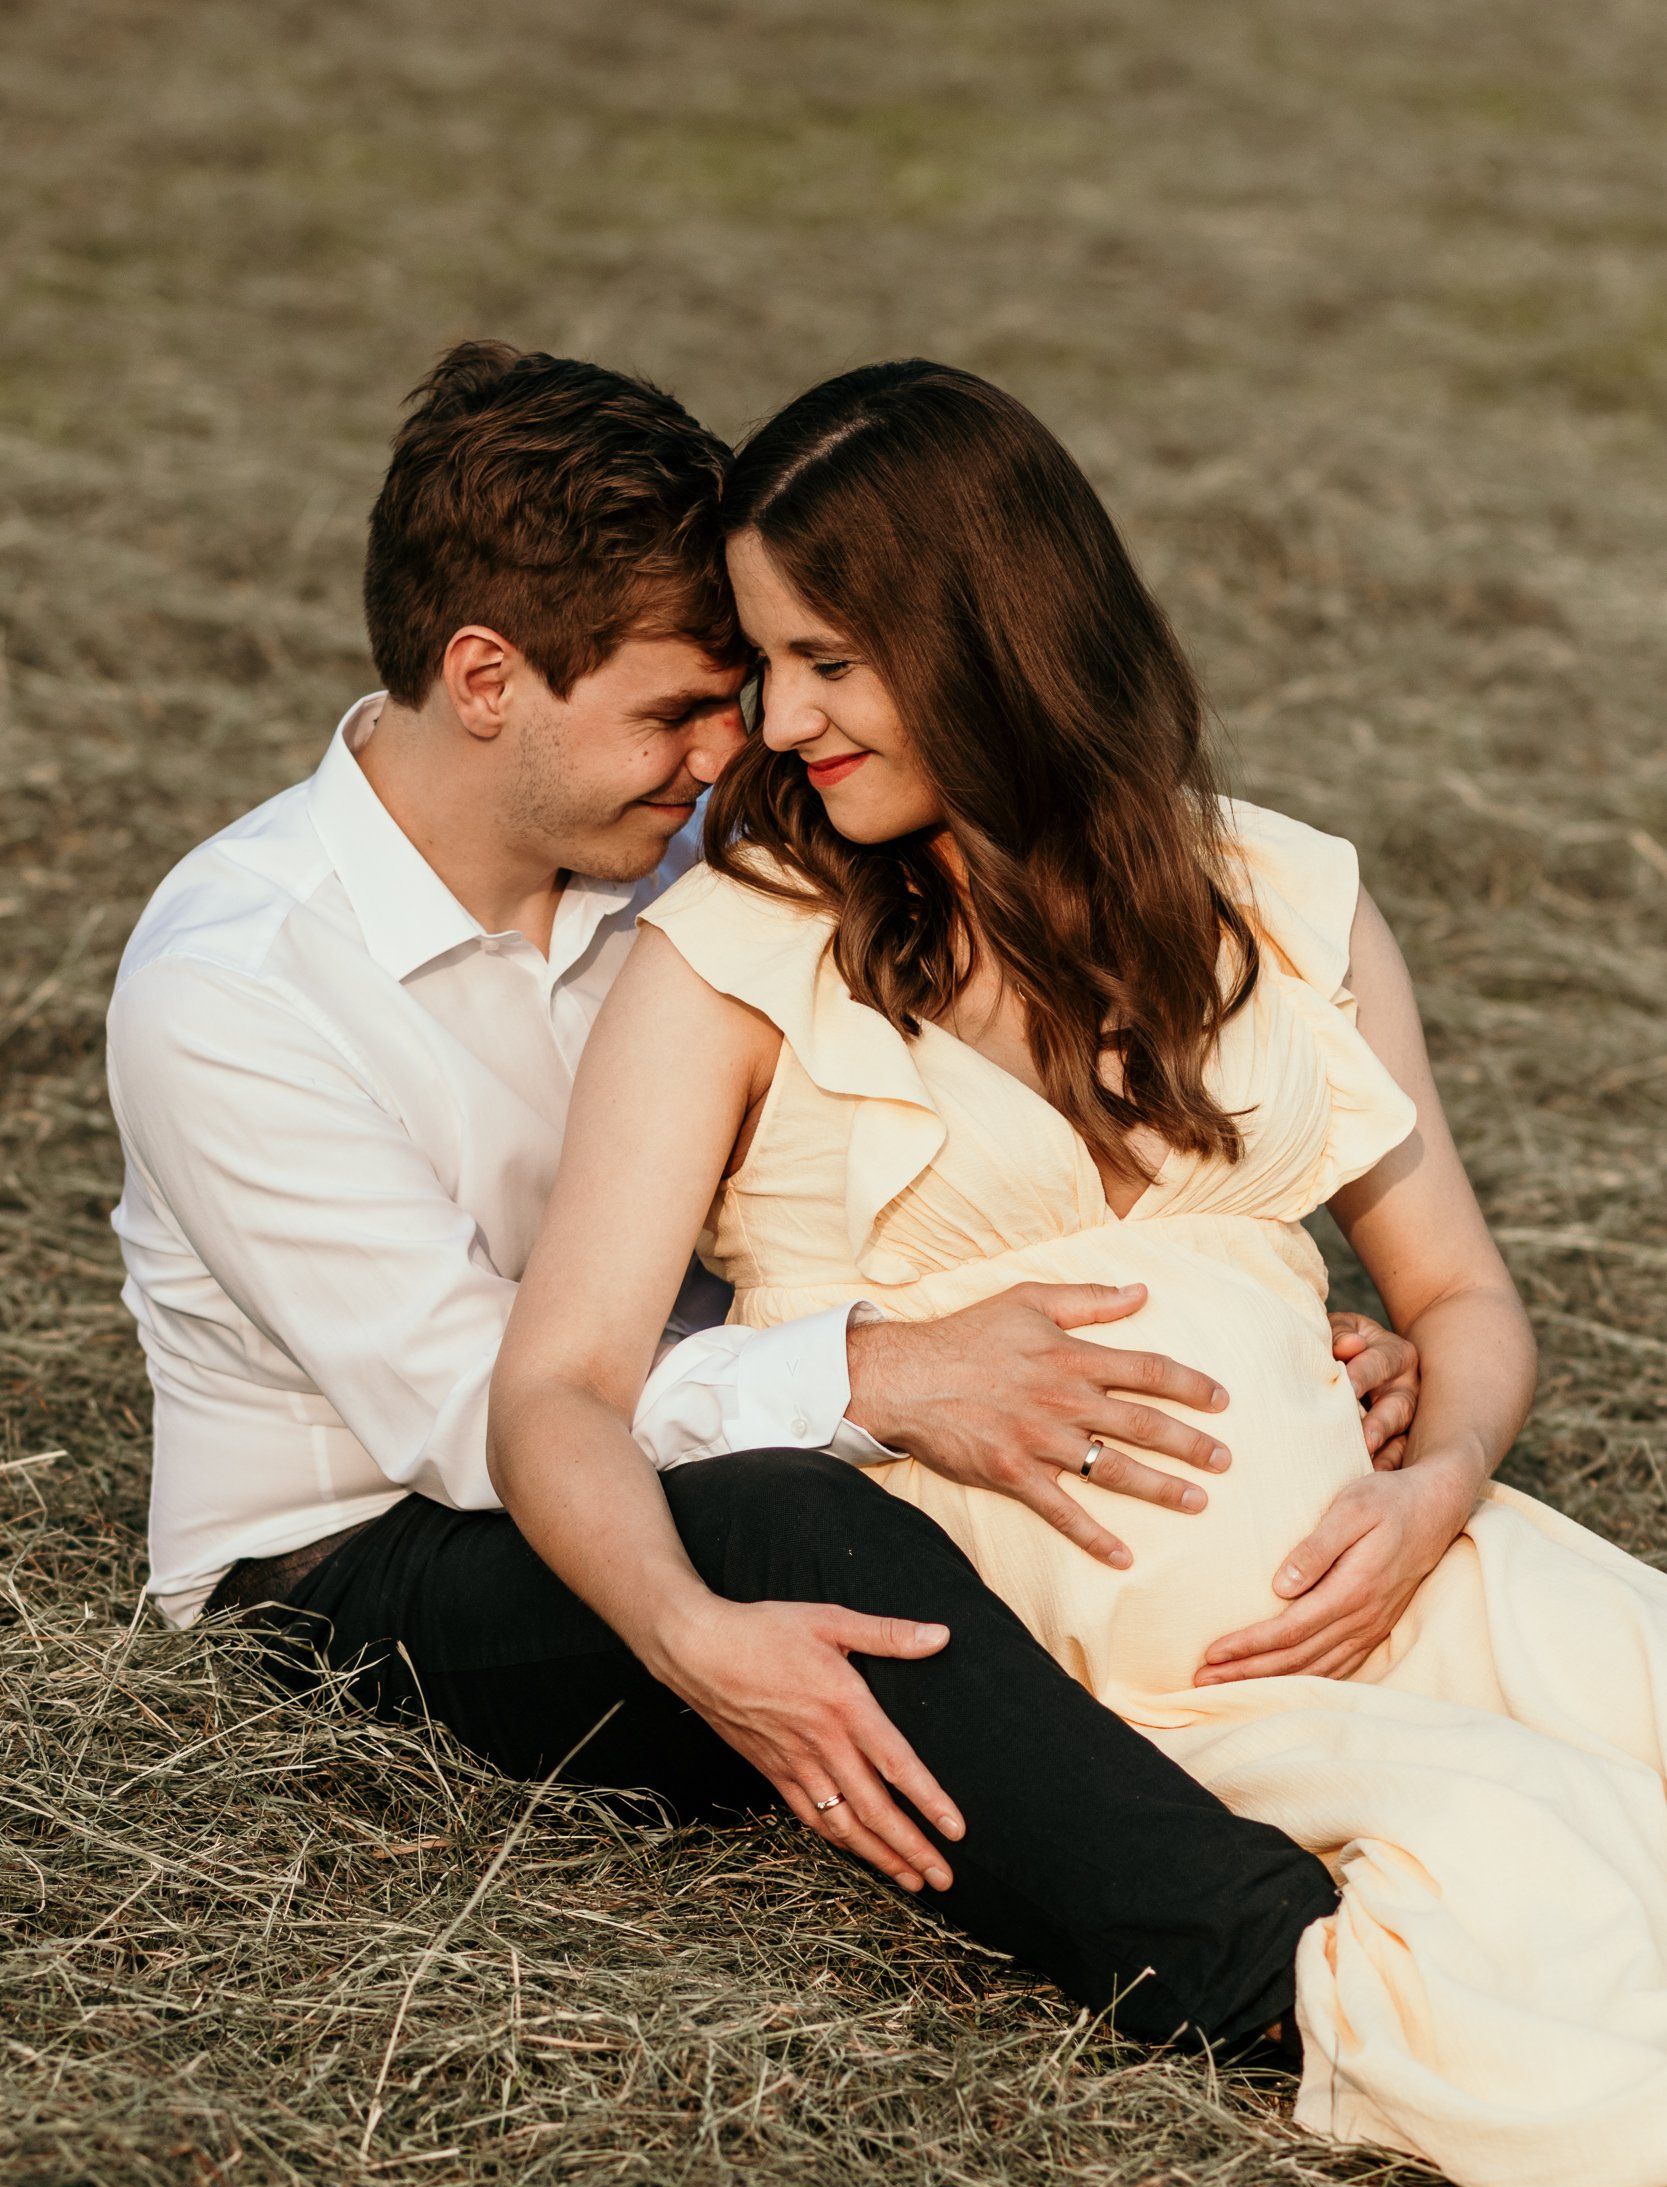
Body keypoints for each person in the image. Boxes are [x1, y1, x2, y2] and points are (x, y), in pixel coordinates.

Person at [106, 340, 1420, 2062]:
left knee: (872, 1484)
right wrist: (876, 1378)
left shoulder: (695, 863)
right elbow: (463, 1413)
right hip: (361, 1557)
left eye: (744, 690)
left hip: (713, 1432)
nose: (739, 748)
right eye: (678, 710)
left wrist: (1234, 1326)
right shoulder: (237, 987)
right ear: (486, 677)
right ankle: (1293, 1981)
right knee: (798, 1522)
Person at [488, 359, 1667, 2187]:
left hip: (1422, 1572)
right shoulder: (734, 960)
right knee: (1560, 1894)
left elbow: (1466, 1304)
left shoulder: (1283, 899)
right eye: (762, 662)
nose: (778, 721)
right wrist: (684, 1633)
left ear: (984, 630)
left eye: (826, 660)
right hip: (1143, 1686)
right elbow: (554, 1389)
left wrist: (1433, 1485)